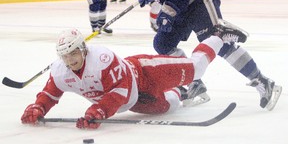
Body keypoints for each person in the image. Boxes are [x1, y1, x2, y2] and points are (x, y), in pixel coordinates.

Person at [116, 0, 282, 110]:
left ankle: (263, 82)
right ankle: (195, 83)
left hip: (198, 0)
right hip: (182, 5)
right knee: (163, 44)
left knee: (219, 44)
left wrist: (168, 11)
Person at [21, 25, 245, 129]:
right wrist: (38, 108)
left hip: (144, 72)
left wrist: (99, 110)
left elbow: (120, 90)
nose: (70, 60)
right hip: (133, 101)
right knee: (171, 105)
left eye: (73, 53)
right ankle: (187, 91)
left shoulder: (102, 59)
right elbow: (49, 94)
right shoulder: (60, 71)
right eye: (65, 56)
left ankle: (219, 36)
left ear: (83, 49)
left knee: (195, 70)